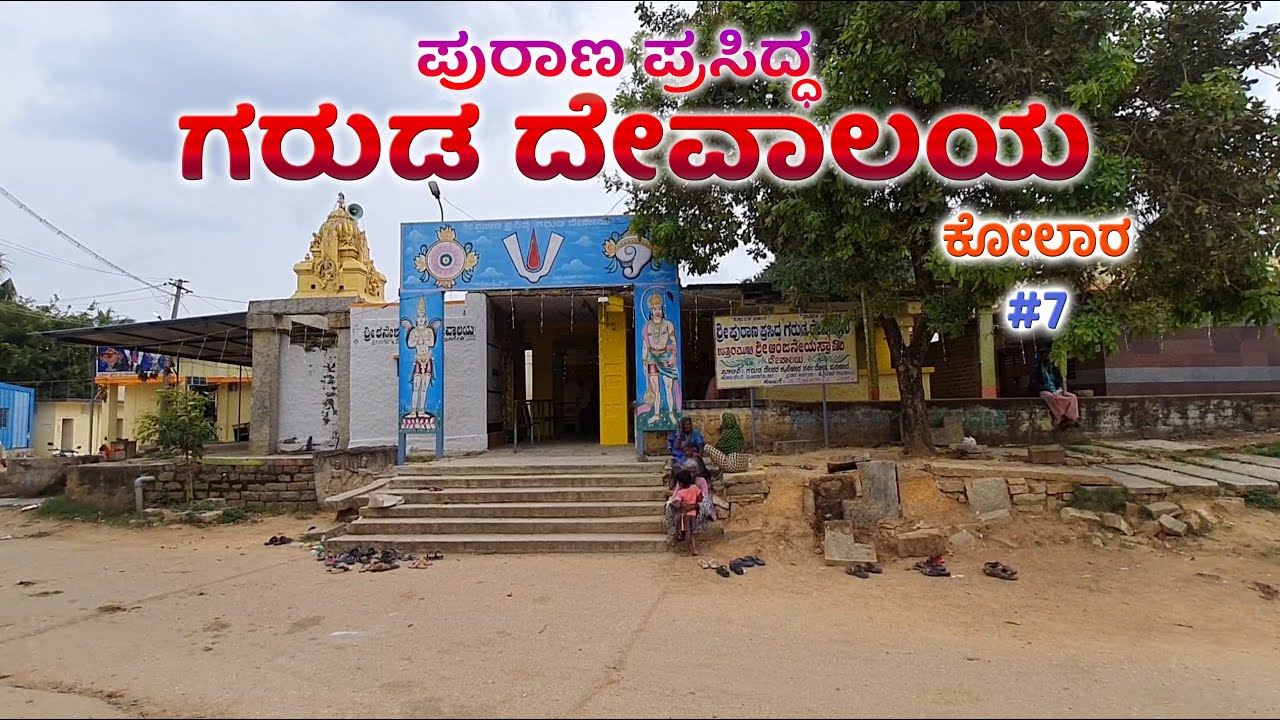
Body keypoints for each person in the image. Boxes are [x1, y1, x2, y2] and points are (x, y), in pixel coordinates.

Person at [1030, 354, 1079, 429]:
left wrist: (1060, 389)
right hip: (1044, 390)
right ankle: (1059, 417)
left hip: (1056, 389)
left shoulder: (1054, 369)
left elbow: (1059, 381)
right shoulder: (1036, 370)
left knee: (1073, 397)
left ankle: (1071, 418)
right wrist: (1047, 389)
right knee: (1051, 396)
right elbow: (1034, 385)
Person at [668, 469, 703, 556]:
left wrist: (672, 504)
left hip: (685, 514)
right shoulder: (694, 487)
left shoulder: (681, 493)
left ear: (681, 483)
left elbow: (678, 505)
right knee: (691, 532)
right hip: (694, 513)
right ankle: (694, 549)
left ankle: (687, 551)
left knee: (687, 531)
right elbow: (700, 498)